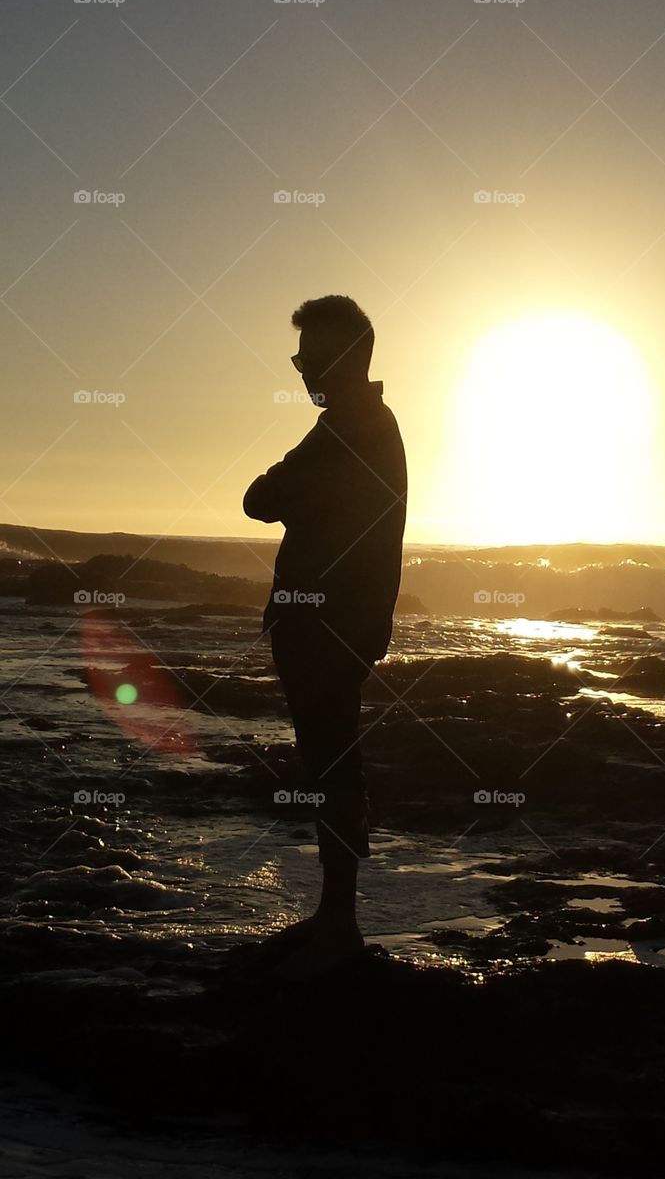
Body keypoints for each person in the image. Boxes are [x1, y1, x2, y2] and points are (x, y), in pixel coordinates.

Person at [243, 295, 407, 979]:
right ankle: (332, 915)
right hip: (333, 626)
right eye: (300, 358)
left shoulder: (351, 428)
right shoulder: (356, 423)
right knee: (329, 766)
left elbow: (260, 499)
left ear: (350, 357)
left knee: (332, 768)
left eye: (313, 357)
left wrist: (282, 483)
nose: (304, 370)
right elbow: (274, 497)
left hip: (329, 629)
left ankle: (338, 924)